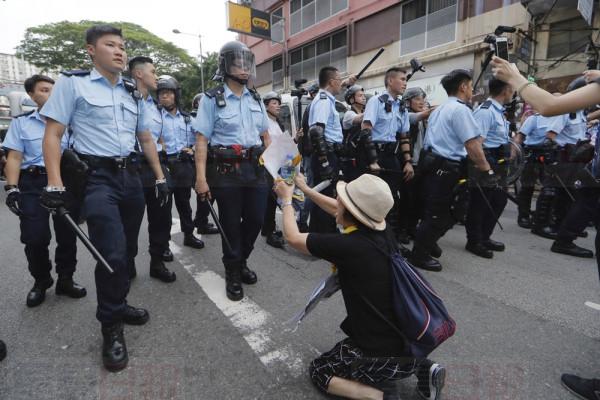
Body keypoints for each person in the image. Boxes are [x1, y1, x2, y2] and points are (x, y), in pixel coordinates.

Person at [40, 25, 169, 372]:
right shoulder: (73, 82)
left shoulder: (132, 90)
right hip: (96, 179)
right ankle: (111, 327)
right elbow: (53, 135)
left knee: (126, 252)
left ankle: (119, 301)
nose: (119, 51)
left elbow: (144, 138)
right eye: (110, 45)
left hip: (130, 176)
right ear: (90, 51)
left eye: (122, 46)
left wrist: (159, 176)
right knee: (109, 253)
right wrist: (54, 184)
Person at [274, 173, 445, 400]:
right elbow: (339, 209)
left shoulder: (349, 246)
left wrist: (286, 199)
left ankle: (382, 397)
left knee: (320, 370)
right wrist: (305, 190)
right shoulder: (383, 233)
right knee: (392, 348)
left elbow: (293, 237)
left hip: (378, 350)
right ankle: (426, 370)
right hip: (411, 340)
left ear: (350, 211)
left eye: (341, 199)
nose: (337, 200)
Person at [492, 57, 600, 400]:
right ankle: (537, 223)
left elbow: (551, 106)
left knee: (555, 199)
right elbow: (547, 114)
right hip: (552, 158)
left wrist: (516, 76)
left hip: (569, 160)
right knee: (542, 196)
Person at [193, 41, 269, 301]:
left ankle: (241, 260)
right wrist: (201, 178)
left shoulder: (256, 97)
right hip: (225, 172)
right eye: (238, 63)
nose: (244, 68)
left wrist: (281, 171)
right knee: (230, 225)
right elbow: (201, 140)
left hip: (256, 171)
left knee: (257, 220)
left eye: (247, 63)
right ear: (225, 65)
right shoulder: (211, 98)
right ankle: (233, 272)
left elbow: (266, 137)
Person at [3, 74, 86, 307]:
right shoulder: (21, 123)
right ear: (31, 95)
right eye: (43, 90)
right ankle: (41, 280)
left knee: (68, 234)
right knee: (35, 236)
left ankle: (66, 279)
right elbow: (15, 157)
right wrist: (12, 188)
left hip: (65, 180)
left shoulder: (71, 122)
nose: (50, 94)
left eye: (53, 89)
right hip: (34, 183)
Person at [408, 69, 493, 272]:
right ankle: (419, 254)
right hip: (446, 167)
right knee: (443, 213)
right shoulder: (461, 110)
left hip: (432, 164)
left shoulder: (441, 108)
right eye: (471, 85)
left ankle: (427, 241)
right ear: (463, 87)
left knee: (435, 211)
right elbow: (472, 144)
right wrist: (486, 169)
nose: (472, 89)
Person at [128, 56, 177, 282]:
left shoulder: (156, 107)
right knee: (130, 222)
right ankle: (127, 264)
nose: (157, 77)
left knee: (162, 219)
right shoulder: (124, 99)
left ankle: (157, 263)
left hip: (157, 165)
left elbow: (159, 138)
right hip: (132, 167)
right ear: (139, 74)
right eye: (153, 71)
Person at [464, 78, 515, 259]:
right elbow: (477, 143)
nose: (513, 92)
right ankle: (474, 241)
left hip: (500, 163)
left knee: (499, 201)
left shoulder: (499, 111)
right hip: (486, 162)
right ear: (505, 89)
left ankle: (485, 237)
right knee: (481, 203)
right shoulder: (485, 111)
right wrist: (485, 168)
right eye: (512, 88)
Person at [361, 68, 414, 242]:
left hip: (392, 156)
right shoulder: (376, 101)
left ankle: (388, 240)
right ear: (390, 81)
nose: (405, 82)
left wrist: (408, 162)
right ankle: (366, 238)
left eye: (406, 79)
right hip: (374, 154)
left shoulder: (402, 107)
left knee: (392, 199)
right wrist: (373, 160)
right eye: (402, 79)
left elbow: (404, 136)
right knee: (372, 197)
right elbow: (366, 130)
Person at [156, 76, 205, 250]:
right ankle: (164, 244)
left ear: (175, 95)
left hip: (183, 165)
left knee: (184, 204)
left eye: (168, 93)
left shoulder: (186, 118)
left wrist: (192, 148)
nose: (164, 97)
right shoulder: (155, 117)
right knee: (164, 208)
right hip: (164, 165)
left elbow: (200, 137)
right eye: (161, 93)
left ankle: (189, 235)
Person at [308, 66, 356, 233]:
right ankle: (321, 237)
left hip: (330, 153)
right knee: (324, 197)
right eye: (339, 80)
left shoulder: (327, 99)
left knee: (328, 195)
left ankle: (323, 233)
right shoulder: (323, 100)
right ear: (331, 82)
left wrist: (347, 82)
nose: (340, 83)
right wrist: (325, 163)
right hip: (325, 154)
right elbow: (316, 132)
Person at [398, 87, 433, 240]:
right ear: (408, 101)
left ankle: (412, 228)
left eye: (422, 99)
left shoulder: (423, 120)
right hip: (409, 163)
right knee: (407, 199)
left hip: (422, 164)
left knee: (420, 199)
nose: (421, 102)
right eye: (418, 99)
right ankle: (402, 231)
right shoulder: (406, 115)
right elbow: (423, 114)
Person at [514, 109, 552, 229]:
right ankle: (523, 216)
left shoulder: (560, 118)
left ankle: (542, 217)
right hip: (533, 155)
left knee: (550, 188)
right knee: (527, 187)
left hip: (550, 155)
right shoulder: (534, 119)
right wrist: (515, 155)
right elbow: (519, 138)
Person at [190, 93, 219, 236]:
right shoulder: (194, 118)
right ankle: (201, 222)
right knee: (207, 192)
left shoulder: (211, 116)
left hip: (213, 157)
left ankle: (201, 220)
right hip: (203, 158)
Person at [260, 91, 286, 249]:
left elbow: (282, 143)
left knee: (273, 198)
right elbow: (265, 144)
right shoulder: (264, 123)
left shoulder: (278, 123)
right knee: (272, 197)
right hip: (268, 164)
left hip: (280, 163)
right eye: (274, 102)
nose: (278, 105)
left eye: (278, 102)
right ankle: (269, 231)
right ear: (266, 105)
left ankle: (266, 227)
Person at [297, 82, 320, 233]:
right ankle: (302, 220)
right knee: (312, 189)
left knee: (315, 189)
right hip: (311, 155)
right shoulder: (313, 107)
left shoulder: (315, 107)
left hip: (312, 154)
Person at [340, 84, 366, 181]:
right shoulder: (349, 114)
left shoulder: (366, 111)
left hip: (364, 157)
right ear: (351, 100)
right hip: (353, 161)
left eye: (363, 95)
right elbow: (359, 118)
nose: (363, 98)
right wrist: (375, 107)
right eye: (360, 95)